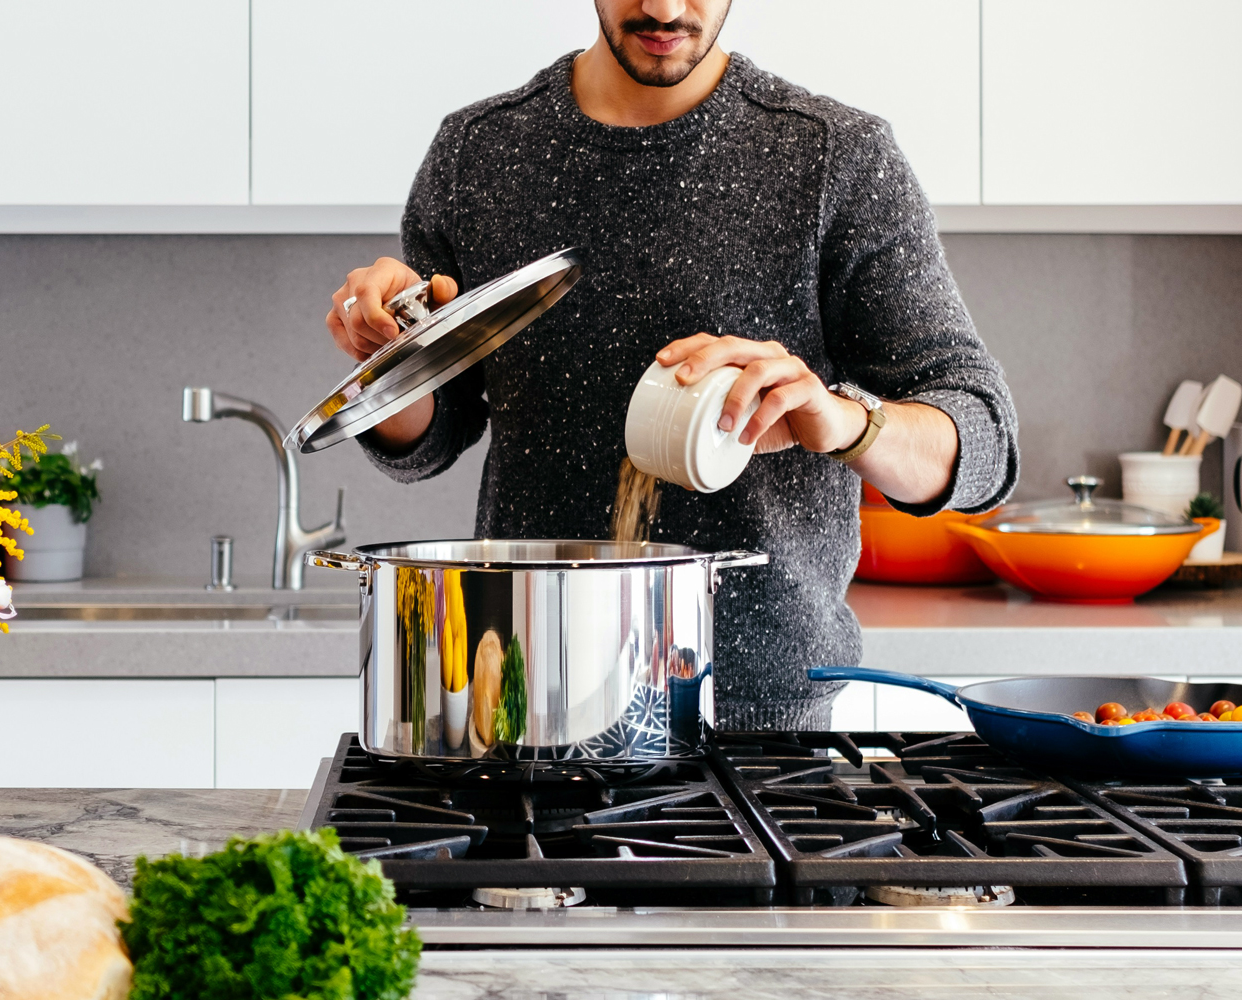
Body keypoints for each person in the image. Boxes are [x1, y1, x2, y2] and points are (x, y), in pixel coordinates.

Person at [324, 0, 1018, 730]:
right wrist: (388, 360)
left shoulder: (834, 156)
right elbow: (432, 435)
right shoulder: (480, 152)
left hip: (760, 718)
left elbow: (983, 446)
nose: (660, 7)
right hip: (529, 696)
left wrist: (841, 420)